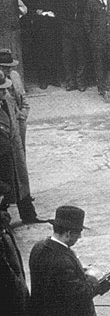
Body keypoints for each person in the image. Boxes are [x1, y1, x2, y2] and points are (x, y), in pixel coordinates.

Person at [0, 49, 39, 224]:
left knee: (19, 175)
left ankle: (27, 213)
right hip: (3, 146)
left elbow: (23, 102)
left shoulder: (9, 88)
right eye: (4, 67)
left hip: (13, 138)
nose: (7, 71)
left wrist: (22, 115)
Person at [56, 0, 91, 91]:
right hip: (67, 33)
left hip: (82, 33)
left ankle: (80, 82)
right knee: (67, 58)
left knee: (82, 57)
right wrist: (65, 28)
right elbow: (60, 15)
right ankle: (70, 82)